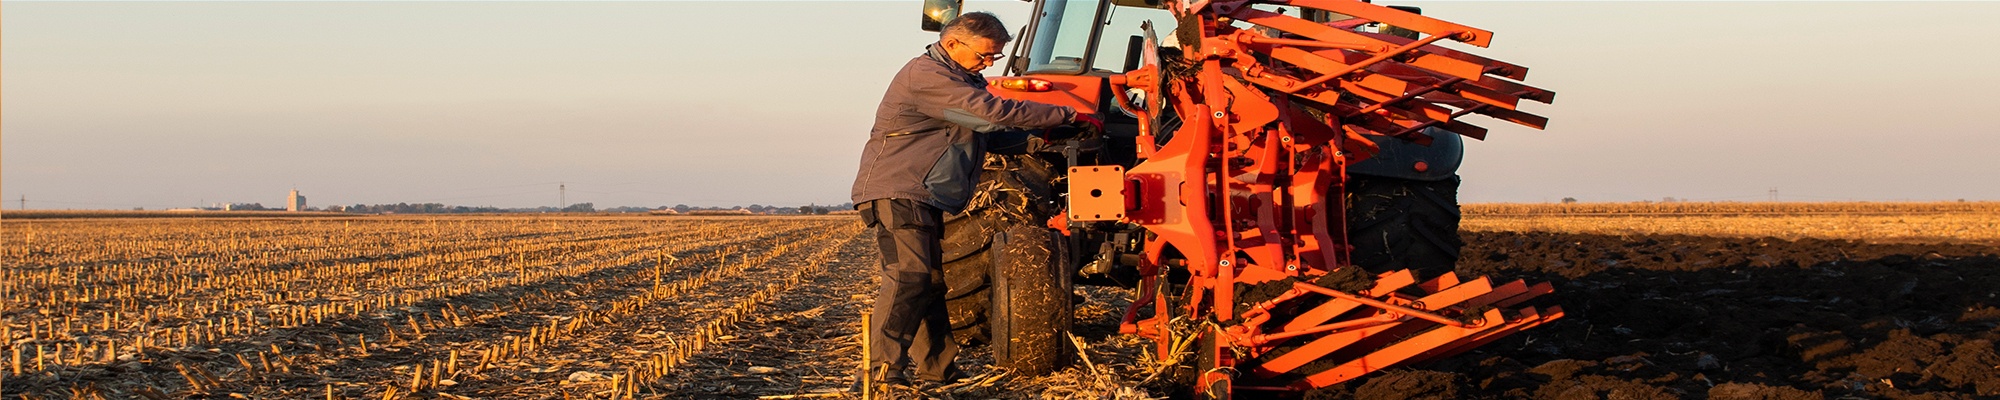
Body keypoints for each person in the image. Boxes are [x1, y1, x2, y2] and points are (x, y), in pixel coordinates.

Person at [848, 11, 1100, 389]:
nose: (989, 63)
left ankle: (939, 372)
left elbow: (986, 137)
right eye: (985, 55)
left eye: (995, 57)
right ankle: (880, 374)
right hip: (899, 188)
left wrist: (1044, 139)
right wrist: (1066, 111)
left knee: (929, 284)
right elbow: (990, 115)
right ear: (952, 43)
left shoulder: (962, 78)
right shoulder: (927, 76)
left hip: (924, 193)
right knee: (908, 277)